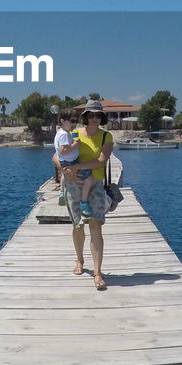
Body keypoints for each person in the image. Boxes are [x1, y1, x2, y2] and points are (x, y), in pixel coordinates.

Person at [62, 99, 114, 290]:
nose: (94, 118)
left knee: (95, 227)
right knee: (77, 225)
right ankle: (79, 260)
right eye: (90, 115)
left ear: (102, 117)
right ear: (85, 117)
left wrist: (77, 166)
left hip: (96, 185)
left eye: (97, 115)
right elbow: (56, 155)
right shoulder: (74, 133)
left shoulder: (106, 137)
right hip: (74, 184)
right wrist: (65, 169)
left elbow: (101, 161)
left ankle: (98, 272)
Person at [52, 108, 96, 215]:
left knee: (64, 175)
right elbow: (63, 151)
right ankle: (83, 202)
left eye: (76, 121)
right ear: (62, 121)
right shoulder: (64, 135)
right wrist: (75, 145)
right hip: (70, 163)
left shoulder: (62, 132)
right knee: (89, 179)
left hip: (66, 162)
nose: (74, 123)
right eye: (72, 121)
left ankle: (62, 192)